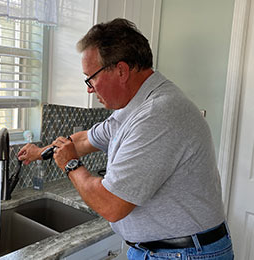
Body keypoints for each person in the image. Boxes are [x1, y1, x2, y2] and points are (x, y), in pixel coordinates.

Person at [17, 18, 234, 259]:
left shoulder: (157, 114)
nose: (89, 88)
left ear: (121, 70)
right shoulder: (134, 107)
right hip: (164, 250)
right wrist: (41, 151)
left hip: (182, 253)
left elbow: (111, 205)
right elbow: (85, 140)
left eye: (91, 78)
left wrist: (71, 165)